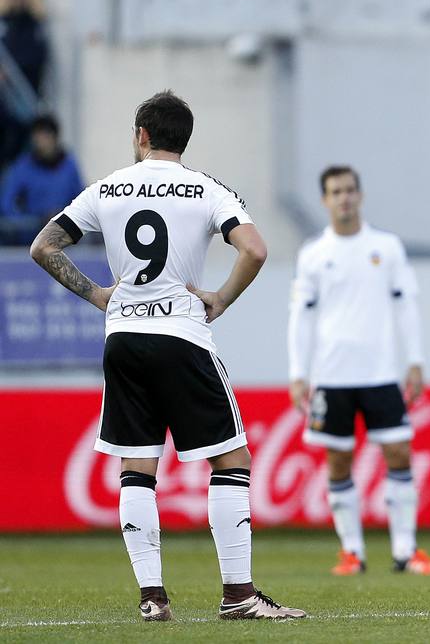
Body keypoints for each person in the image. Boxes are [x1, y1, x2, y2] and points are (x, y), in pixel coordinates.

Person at [28, 90, 305, 621]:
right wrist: (220, 298)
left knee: (138, 467)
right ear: (185, 138)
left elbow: (43, 246)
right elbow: (255, 249)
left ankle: (153, 599)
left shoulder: (107, 187)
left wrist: (97, 294)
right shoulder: (205, 188)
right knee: (231, 460)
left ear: (141, 135)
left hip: (123, 338)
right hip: (181, 333)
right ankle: (239, 596)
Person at [287, 165, 430, 577]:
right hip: (331, 376)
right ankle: (352, 552)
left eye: (350, 190)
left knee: (399, 454)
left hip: (380, 374)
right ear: (325, 200)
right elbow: (300, 316)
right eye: (336, 191)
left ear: (360, 195)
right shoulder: (314, 254)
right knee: (338, 461)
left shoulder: (386, 247)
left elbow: (406, 304)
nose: (344, 198)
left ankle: (406, 552)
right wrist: (298, 372)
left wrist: (415, 361)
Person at [0, 113, 85, 244]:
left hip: (65, 239)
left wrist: (63, 217)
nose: (40, 142)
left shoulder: (69, 165)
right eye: (37, 136)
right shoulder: (23, 167)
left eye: (45, 135)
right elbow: (6, 204)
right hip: (32, 241)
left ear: (55, 137)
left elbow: (81, 200)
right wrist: (31, 222)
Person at [0, 0, 50, 166]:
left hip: (26, 105)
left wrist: (12, 71)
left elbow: (37, 57)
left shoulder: (34, 25)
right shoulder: (3, 24)